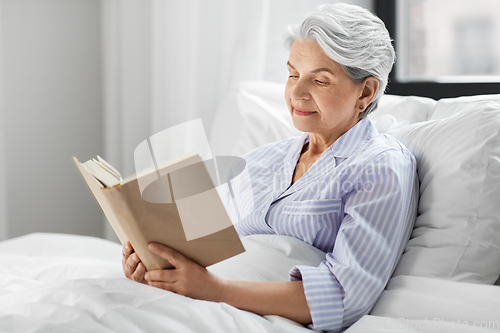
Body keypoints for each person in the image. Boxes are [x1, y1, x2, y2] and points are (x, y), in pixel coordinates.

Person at [122, 3, 418, 331]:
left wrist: (214, 290)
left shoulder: (379, 166)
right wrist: (156, 265)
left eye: (319, 81)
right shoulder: (263, 159)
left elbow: (343, 297)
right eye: (292, 74)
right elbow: (205, 249)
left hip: (241, 313)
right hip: (201, 302)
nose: (296, 93)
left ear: (366, 91)